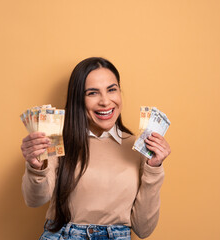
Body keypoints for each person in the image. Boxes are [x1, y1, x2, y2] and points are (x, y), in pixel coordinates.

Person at [20, 57, 171, 240]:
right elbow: (35, 200)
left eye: (111, 90)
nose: (105, 102)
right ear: (78, 99)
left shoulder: (138, 148)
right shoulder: (58, 141)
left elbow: (143, 229)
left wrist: (154, 169)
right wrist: (37, 167)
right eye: (92, 93)